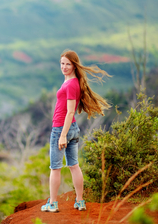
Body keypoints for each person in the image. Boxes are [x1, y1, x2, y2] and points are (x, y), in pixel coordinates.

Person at [41, 50, 111, 213]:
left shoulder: (72, 84)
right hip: (72, 128)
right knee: (74, 166)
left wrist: (63, 135)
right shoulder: (71, 82)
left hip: (62, 129)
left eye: (68, 64)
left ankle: (52, 203)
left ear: (74, 65)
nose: (64, 67)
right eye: (62, 63)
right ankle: (80, 201)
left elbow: (71, 111)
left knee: (55, 168)